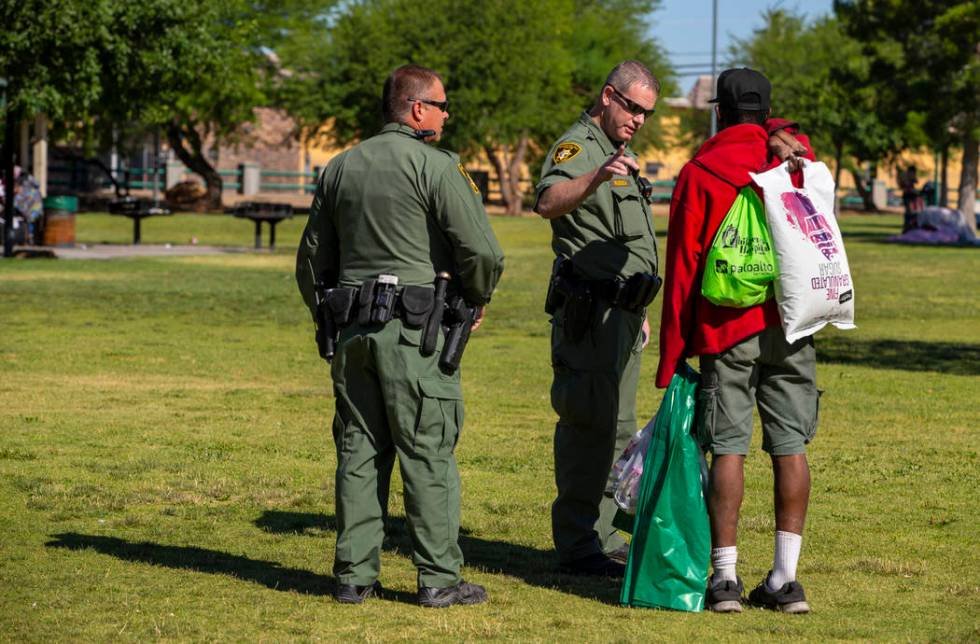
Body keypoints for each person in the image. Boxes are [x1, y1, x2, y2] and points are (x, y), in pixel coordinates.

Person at [535, 61, 809, 578]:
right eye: (632, 108)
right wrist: (594, 178)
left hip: (623, 310)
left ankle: (603, 536)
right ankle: (576, 542)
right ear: (608, 95)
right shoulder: (578, 149)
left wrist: (638, 308)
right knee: (586, 425)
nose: (639, 120)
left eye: (647, 112)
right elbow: (547, 201)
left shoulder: (622, 153)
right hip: (588, 313)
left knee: (616, 430)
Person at [295, 64, 504, 608]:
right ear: (416, 110)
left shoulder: (340, 167)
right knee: (427, 449)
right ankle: (438, 578)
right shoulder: (435, 166)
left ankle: (353, 575)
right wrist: (476, 297)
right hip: (417, 335)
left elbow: (312, 260)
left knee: (359, 449)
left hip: (354, 334)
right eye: (440, 105)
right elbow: (481, 251)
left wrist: (333, 312)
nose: (446, 114)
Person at [657, 68, 817, 614]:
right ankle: (784, 580)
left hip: (728, 326)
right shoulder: (797, 159)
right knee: (790, 445)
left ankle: (724, 579)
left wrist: (673, 355)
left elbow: (683, 266)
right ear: (768, 112)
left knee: (728, 445)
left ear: (718, 113)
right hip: (794, 320)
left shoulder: (701, 171)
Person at [899, 165, 920, 232]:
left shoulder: (909, 177)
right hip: (908, 196)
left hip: (912, 196)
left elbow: (916, 181)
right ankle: (907, 228)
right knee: (909, 213)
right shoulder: (905, 176)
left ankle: (910, 228)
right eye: (913, 172)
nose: (914, 174)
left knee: (913, 213)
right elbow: (905, 187)